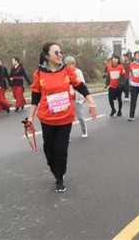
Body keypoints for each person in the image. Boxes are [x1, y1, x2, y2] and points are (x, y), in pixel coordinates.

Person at [27, 43, 97, 192]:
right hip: (47, 118)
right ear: (47, 56)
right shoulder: (38, 74)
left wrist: (92, 103)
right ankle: (55, 169)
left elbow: (80, 86)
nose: (60, 55)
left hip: (65, 117)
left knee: (61, 149)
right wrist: (30, 117)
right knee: (48, 149)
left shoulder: (68, 70)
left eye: (61, 52)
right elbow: (35, 97)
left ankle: (59, 177)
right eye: (56, 52)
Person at [64, 56, 89, 137]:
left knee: (80, 116)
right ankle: (66, 136)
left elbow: (82, 84)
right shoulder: (63, 72)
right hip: (66, 98)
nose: (71, 66)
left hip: (76, 97)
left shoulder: (78, 72)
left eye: (72, 64)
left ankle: (84, 131)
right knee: (66, 119)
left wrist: (83, 96)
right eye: (68, 64)